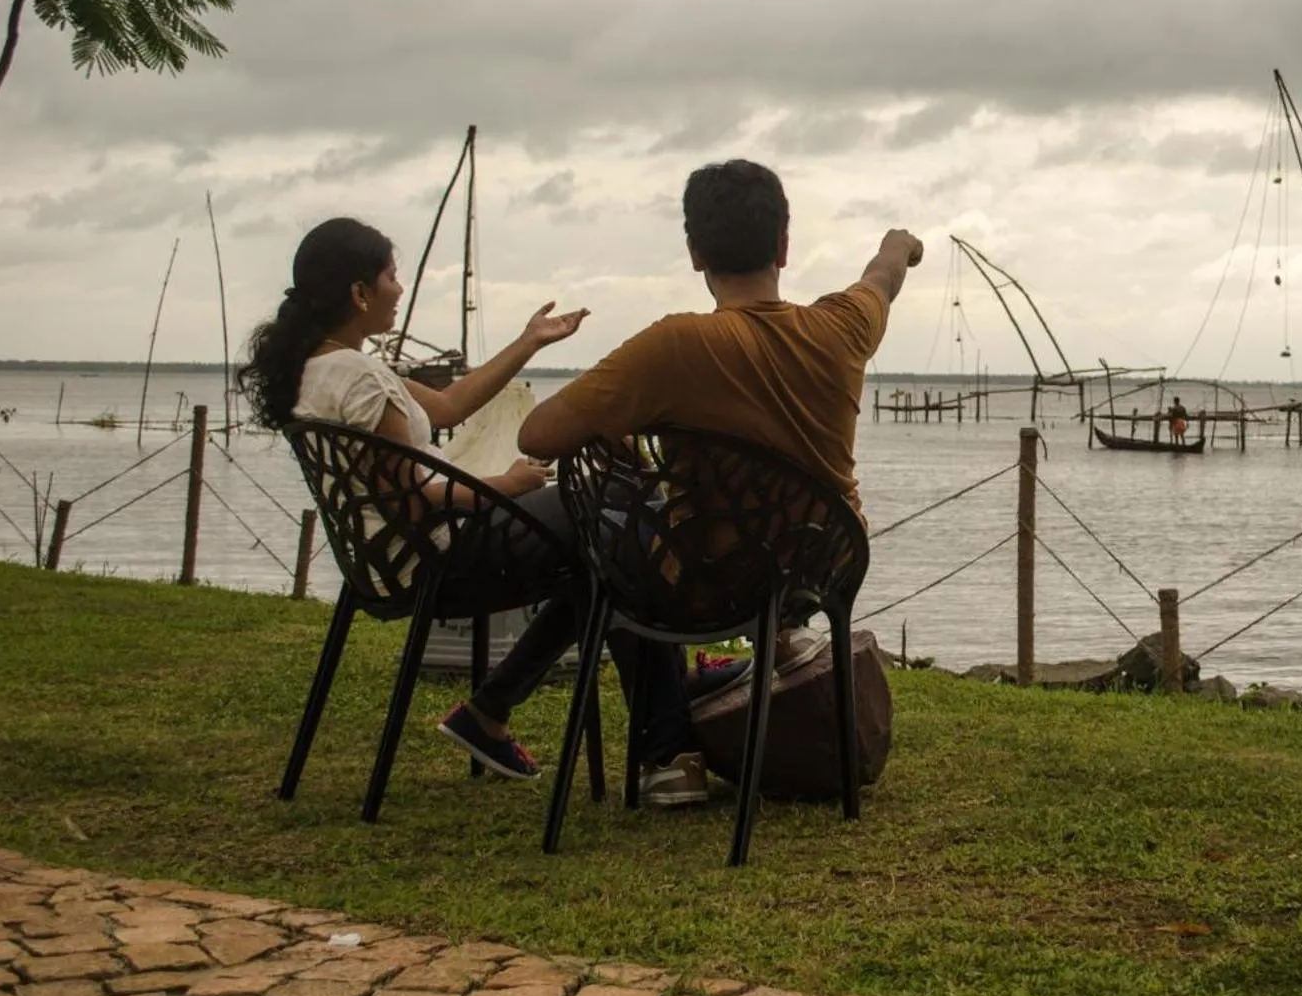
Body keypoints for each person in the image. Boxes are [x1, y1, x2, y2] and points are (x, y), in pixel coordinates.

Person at [238, 217, 728, 794]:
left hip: (384, 564)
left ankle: (508, 713)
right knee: (615, 519)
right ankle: (668, 738)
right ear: (359, 292)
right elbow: (420, 500)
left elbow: (447, 407)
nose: (399, 289)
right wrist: (507, 483)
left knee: (604, 551)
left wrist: (530, 342)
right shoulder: (360, 379)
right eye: (391, 276)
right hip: (435, 560)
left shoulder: (318, 370)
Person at [519, 157, 922, 806]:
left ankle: (668, 753)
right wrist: (901, 243)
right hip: (819, 570)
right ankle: (785, 639)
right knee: (632, 535)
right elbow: (884, 275)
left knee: (610, 535)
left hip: (705, 583)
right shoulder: (843, 325)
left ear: (694, 252)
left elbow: (536, 436)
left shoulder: (674, 346)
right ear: (785, 247)